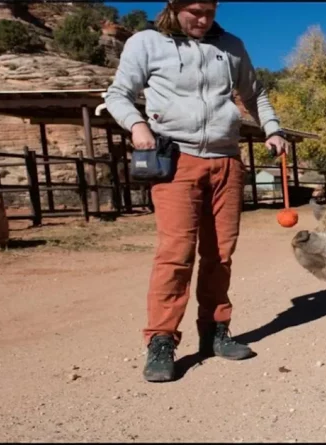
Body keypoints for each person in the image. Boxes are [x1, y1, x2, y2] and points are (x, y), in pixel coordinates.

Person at [105, 0, 291, 382]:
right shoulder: (146, 42)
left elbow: (255, 94)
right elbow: (117, 94)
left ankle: (215, 330)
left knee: (221, 254)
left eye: (209, 11)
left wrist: (272, 128)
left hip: (226, 160)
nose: (203, 20)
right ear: (173, 7)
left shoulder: (232, 45)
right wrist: (137, 126)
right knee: (176, 253)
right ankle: (161, 340)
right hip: (176, 159)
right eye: (194, 12)